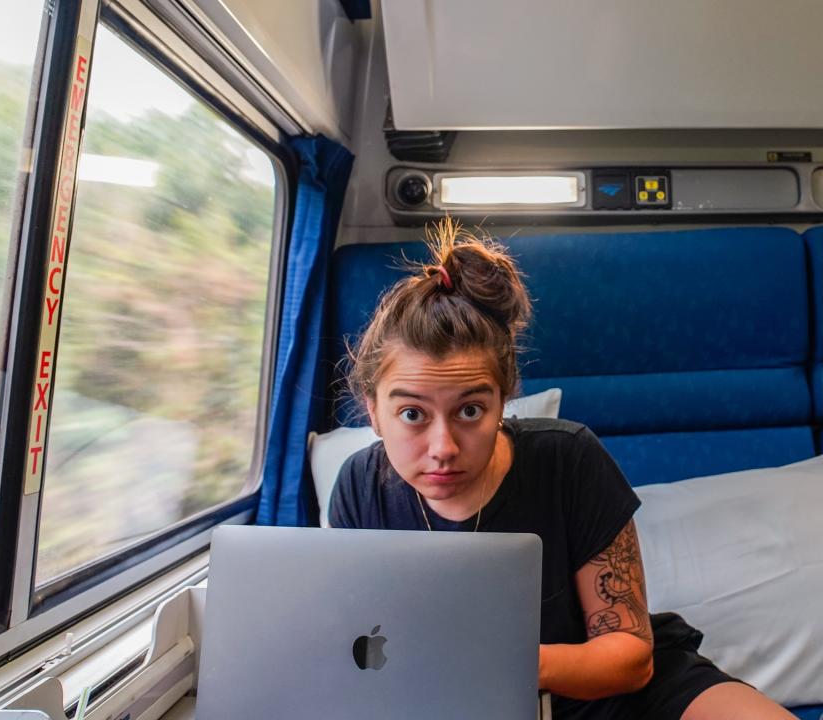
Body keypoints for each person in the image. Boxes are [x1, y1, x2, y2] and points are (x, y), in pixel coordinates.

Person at [328, 218, 793, 720]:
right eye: (412, 414)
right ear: (374, 412)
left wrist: (490, 664)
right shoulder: (360, 487)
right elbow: (360, 658)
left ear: (503, 401)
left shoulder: (568, 458)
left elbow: (629, 660)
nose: (443, 448)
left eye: (469, 411)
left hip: (616, 695)